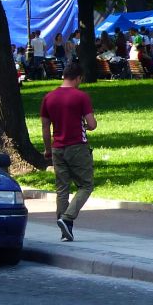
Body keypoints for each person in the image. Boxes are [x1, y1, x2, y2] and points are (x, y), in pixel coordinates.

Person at [41, 60, 97, 241]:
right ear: (78, 77)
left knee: (62, 188)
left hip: (57, 147)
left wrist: (47, 149)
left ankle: (64, 228)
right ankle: (67, 218)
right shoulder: (81, 97)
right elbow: (92, 124)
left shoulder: (48, 98)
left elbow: (45, 127)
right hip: (77, 146)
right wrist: (86, 125)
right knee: (86, 185)